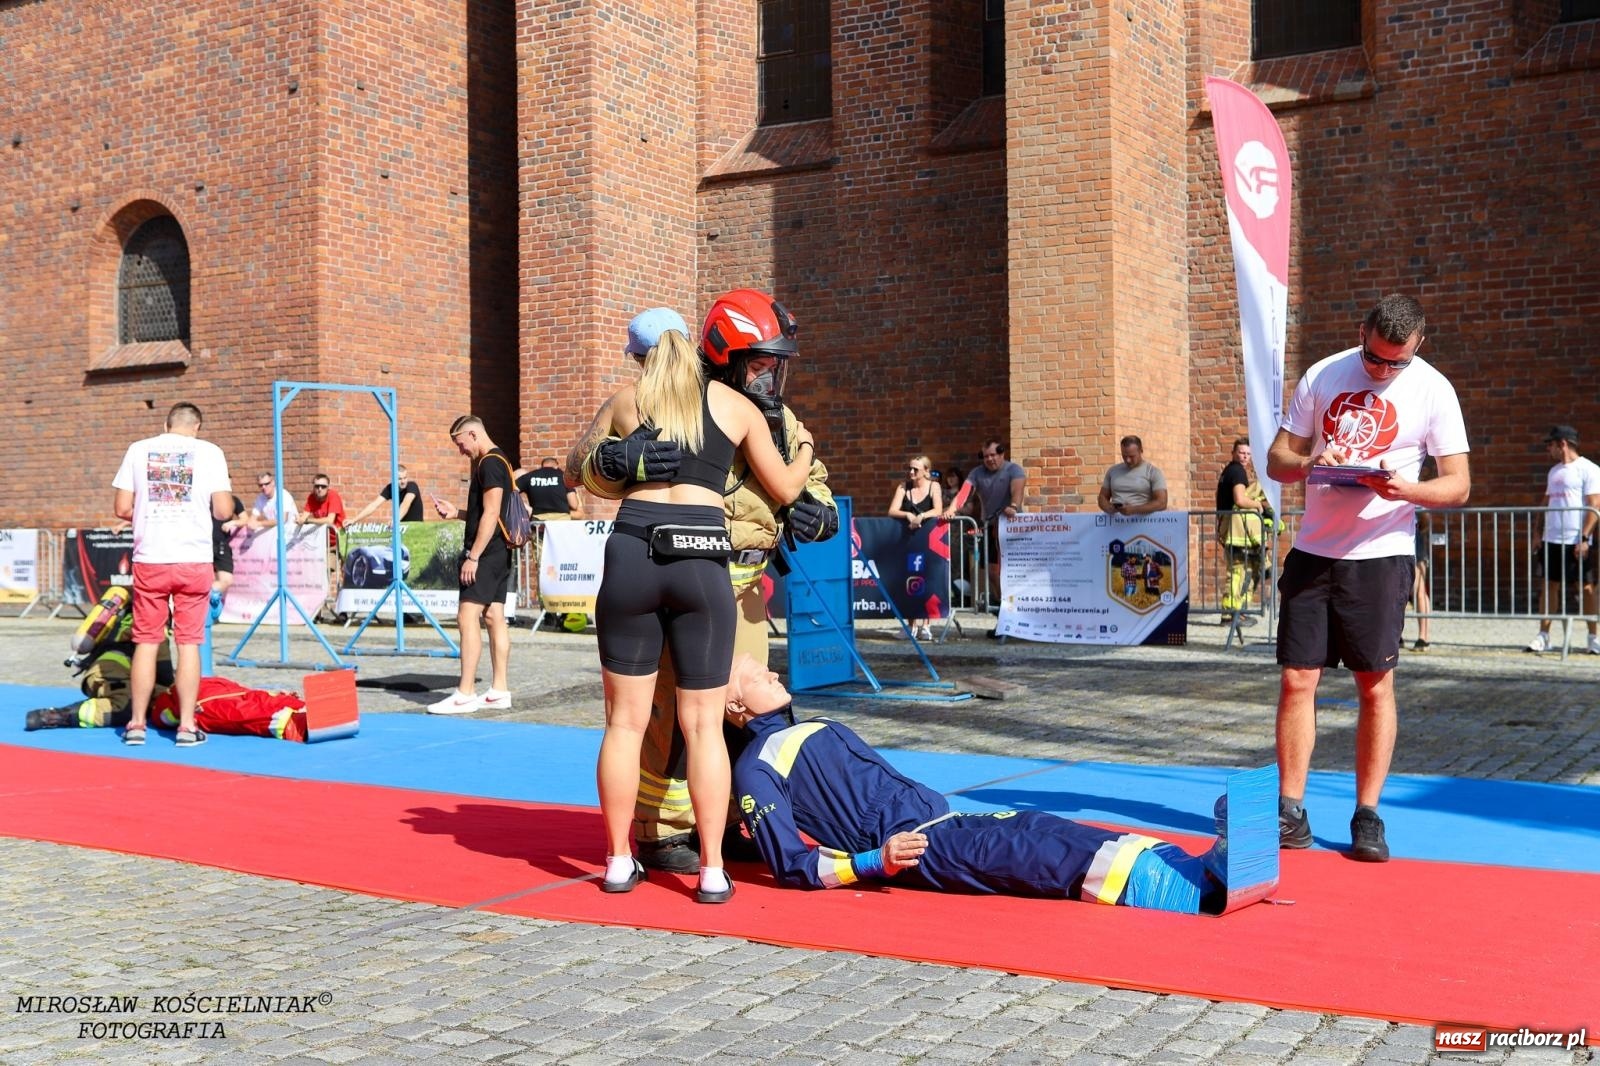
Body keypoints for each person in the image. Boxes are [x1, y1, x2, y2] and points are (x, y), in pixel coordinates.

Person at [575, 289, 839, 877]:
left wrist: (823, 513)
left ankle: (736, 817)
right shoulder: (677, 405)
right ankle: (663, 829)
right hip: (702, 578)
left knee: (743, 716)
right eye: (761, 365)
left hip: (740, 596)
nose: (771, 379)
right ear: (726, 359)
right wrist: (617, 463)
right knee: (666, 722)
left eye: (778, 366)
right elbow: (590, 468)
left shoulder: (781, 420)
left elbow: (810, 482)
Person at [722, 655, 1231, 914]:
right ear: (735, 707)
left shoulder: (802, 727)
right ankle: (1189, 896)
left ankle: (1196, 869)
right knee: (1047, 856)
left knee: (1054, 827)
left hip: (948, 821)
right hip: (922, 846)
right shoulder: (756, 768)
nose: (768, 670)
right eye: (752, 673)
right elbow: (790, 865)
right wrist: (876, 861)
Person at [1266, 294, 1470, 863]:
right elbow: (1277, 458)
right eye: (1374, 358)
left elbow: (1458, 485)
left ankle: (1367, 814)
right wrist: (1312, 463)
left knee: (1373, 685)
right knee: (1296, 680)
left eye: (1394, 363)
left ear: (1417, 346)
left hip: (1381, 555)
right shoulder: (1324, 373)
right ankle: (1290, 809)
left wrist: (1406, 488)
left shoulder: (1434, 388)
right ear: (1362, 333)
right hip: (1314, 551)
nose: (1382, 371)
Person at [111, 401, 235, 748]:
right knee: (189, 642)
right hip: (193, 557)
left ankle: (136, 725)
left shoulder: (138, 449)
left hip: (151, 555)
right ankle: (186, 725)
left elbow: (121, 508)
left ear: (165, 424)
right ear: (197, 427)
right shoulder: (210, 452)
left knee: (147, 641)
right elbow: (224, 510)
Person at [429, 417, 515, 715]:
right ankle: (500, 690)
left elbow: (492, 513)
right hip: (499, 552)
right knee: (494, 616)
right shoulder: (500, 460)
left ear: (473, 433)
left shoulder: (489, 463)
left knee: (467, 615)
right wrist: (458, 513)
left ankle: (465, 692)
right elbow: (491, 512)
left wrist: (473, 556)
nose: (461, 451)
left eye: (461, 444)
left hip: (487, 553)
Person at [1526, 425, 1600, 655]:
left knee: (1586, 588)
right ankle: (1544, 635)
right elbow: (1545, 503)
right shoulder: (1554, 472)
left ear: (1563, 444)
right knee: (1549, 586)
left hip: (1576, 539)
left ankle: (1593, 637)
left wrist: (1585, 537)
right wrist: (1537, 533)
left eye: (1551, 444)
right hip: (1552, 540)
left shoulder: (1588, 469)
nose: (1549, 449)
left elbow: (1594, 504)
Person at [941, 439, 1025, 615]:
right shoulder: (977, 473)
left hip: (1011, 528)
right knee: (993, 573)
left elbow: (1017, 491)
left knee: (1013, 572)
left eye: (993, 455)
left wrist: (1014, 506)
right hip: (990, 527)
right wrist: (951, 509)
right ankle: (1004, 611)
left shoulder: (1013, 470)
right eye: (986, 456)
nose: (990, 459)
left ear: (1002, 454)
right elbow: (964, 493)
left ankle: (1016, 611)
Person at [1216, 438, 1271, 626]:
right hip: (1236, 532)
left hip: (1230, 529)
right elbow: (1240, 500)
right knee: (1240, 573)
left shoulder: (1229, 471)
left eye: (1248, 454)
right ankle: (1233, 615)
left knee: (1241, 572)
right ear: (1233, 453)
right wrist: (1259, 506)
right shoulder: (1237, 471)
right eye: (1241, 453)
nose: (1245, 457)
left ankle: (1235, 613)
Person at [887, 455, 943, 640]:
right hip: (908, 540)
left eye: (916, 469)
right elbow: (892, 510)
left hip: (928, 541)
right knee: (908, 581)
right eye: (910, 468)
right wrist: (908, 515)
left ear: (926, 471)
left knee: (927, 581)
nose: (911, 472)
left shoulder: (934, 486)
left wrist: (922, 516)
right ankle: (910, 625)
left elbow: (938, 510)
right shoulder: (904, 487)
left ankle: (926, 625)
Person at [302, 473, 346, 611]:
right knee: (322, 572)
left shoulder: (333, 496)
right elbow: (303, 515)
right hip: (324, 542)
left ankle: (343, 609)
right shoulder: (311, 497)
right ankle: (318, 610)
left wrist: (308, 520)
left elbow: (329, 520)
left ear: (328, 487)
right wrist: (299, 519)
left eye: (323, 486)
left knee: (344, 573)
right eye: (317, 486)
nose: (320, 489)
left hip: (340, 538)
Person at [1097, 435, 1168, 515]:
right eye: (1124, 456)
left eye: (1132, 456)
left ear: (1141, 450)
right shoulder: (1113, 471)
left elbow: (1162, 503)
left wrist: (1134, 510)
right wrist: (1108, 507)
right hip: (1115, 523)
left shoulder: (1153, 472)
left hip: (1142, 523)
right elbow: (1102, 497)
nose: (1128, 460)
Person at [1410, 456, 1438, 651]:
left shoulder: (1416, 487)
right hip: (1406, 538)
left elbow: (1426, 520)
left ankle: (1424, 636)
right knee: (1406, 590)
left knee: (1419, 588)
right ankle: (1406, 636)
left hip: (1414, 539)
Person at [346, 464, 425, 526]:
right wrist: (354, 520)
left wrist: (395, 520)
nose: (403, 481)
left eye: (405, 478)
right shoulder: (390, 488)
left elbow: (405, 504)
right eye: (400, 479)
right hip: (402, 529)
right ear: (393, 478)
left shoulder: (412, 486)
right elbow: (374, 505)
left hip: (416, 528)